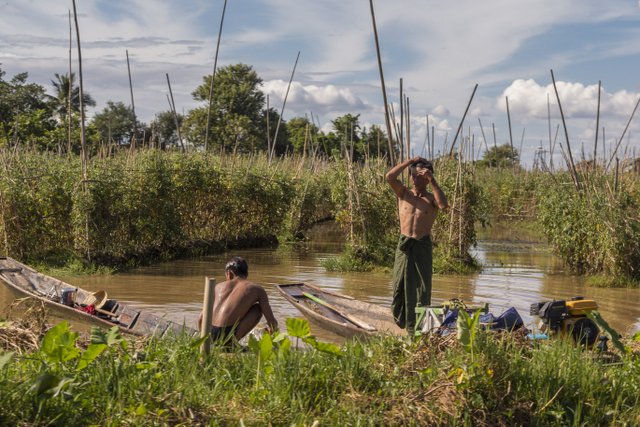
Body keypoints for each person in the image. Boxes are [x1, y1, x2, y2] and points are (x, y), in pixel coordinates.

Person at [385, 156, 448, 334]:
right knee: (399, 284)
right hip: (404, 245)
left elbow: (443, 205)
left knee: (422, 288)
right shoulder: (404, 193)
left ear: (426, 178)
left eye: (419, 175)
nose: (414, 178)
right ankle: (403, 321)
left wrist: (432, 180)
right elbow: (389, 177)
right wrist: (409, 161)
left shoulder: (431, 198)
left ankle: (420, 327)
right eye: (412, 174)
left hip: (422, 246)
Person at [198, 257, 278, 344]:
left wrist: (202, 336)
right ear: (246, 273)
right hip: (227, 336)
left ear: (229, 273)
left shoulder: (218, 286)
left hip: (209, 334)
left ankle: (209, 340)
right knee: (258, 309)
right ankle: (232, 343)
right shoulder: (257, 289)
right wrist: (273, 334)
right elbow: (271, 322)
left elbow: (201, 318)